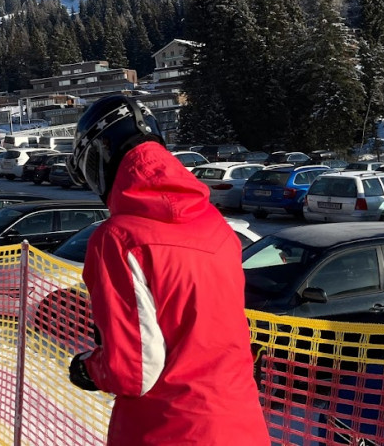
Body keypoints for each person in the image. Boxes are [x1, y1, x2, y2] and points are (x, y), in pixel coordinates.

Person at [65, 95, 269, 446]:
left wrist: (89, 367)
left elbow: (133, 371)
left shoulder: (118, 240)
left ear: (104, 157)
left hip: (168, 429)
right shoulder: (217, 226)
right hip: (242, 423)